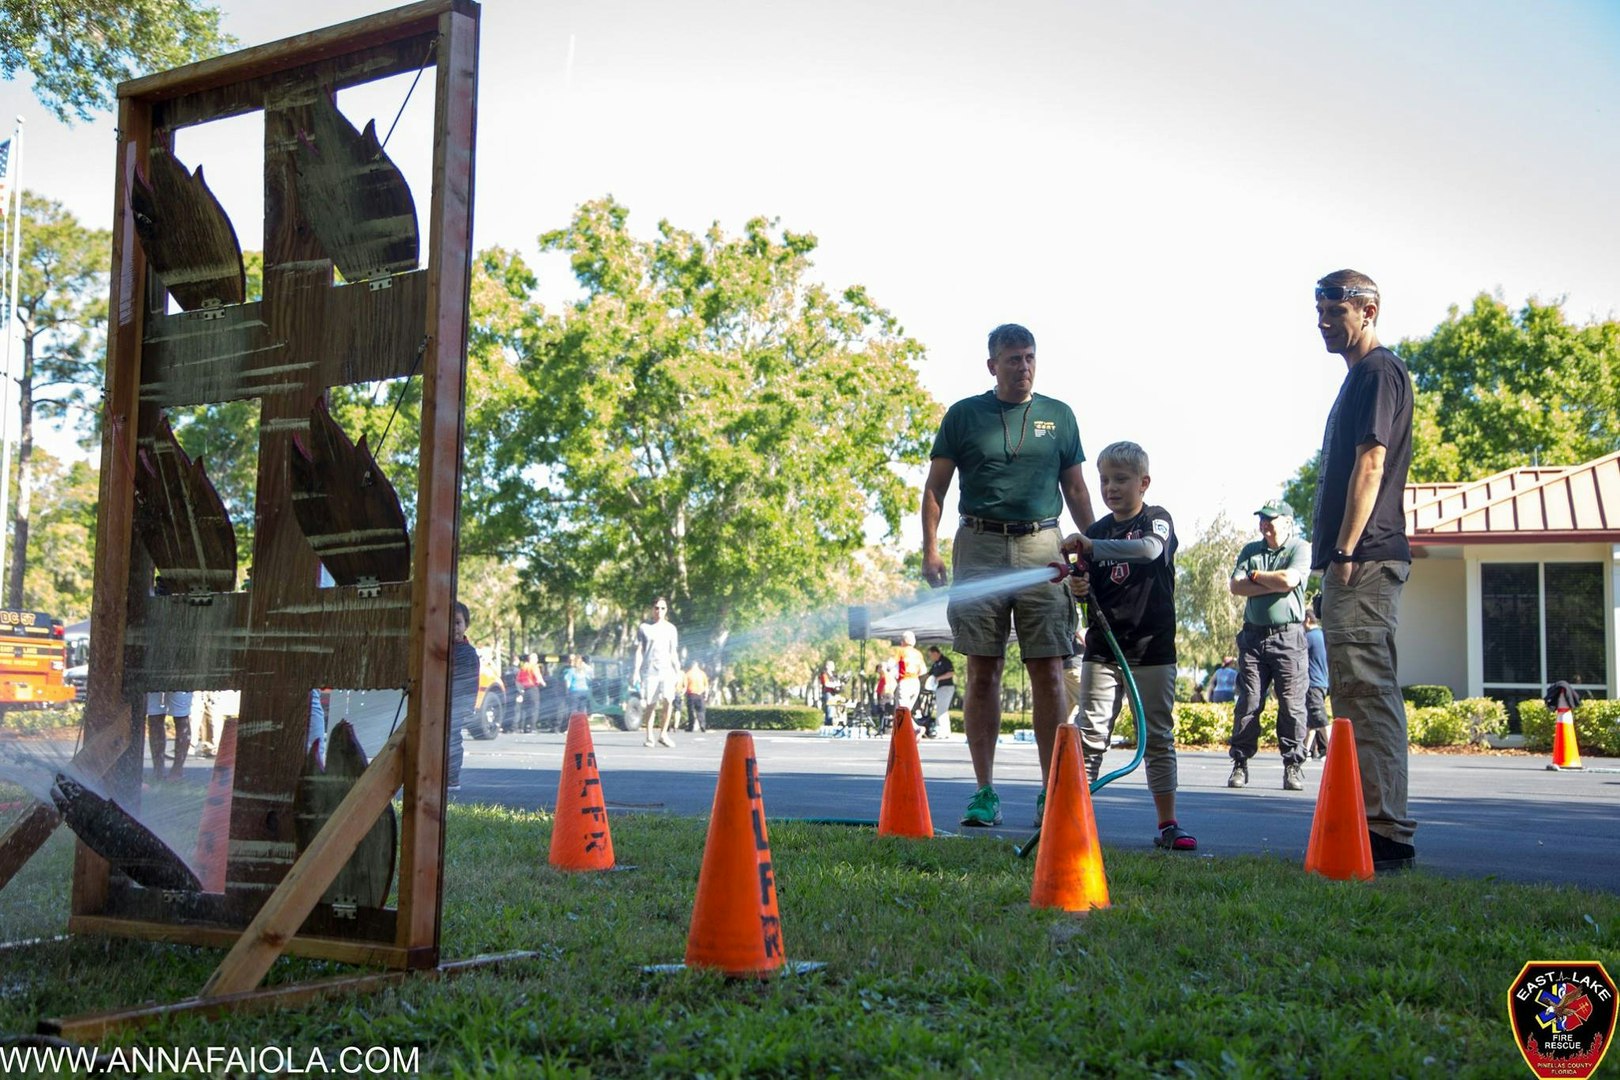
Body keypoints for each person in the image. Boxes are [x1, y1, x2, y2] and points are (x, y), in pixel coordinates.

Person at [921, 322, 1094, 827]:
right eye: (1013, 358)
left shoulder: (1058, 416)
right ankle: (984, 791)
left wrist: (1101, 545)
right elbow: (936, 489)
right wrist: (931, 549)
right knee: (982, 668)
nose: (1023, 367)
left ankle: (1051, 790)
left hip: (1043, 543)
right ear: (992, 364)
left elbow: (1079, 491)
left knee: (1048, 669)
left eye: (1030, 358)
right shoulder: (964, 415)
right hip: (978, 544)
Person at [1309, 269, 1415, 871]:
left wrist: (1346, 550)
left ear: (1368, 310)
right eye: (1318, 313)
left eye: (1334, 312)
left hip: (1366, 559)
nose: (1324, 323)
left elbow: (1371, 463)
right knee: (1351, 690)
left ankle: (1387, 833)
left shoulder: (1378, 371)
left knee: (1368, 692)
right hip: (1353, 560)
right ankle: (1369, 823)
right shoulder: (1358, 378)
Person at [1062, 441, 1195, 849]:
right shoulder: (1096, 531)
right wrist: (1078, 584)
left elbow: (1150, 552)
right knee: (1090, 733)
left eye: (1121, 480)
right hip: (1103, 649)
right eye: (1104, 480)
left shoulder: (1156, 520)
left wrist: (1092, 548)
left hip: (1151, 648)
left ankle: (1168, 825)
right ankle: (1073, 824)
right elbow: (1087, 589)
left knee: (1157, 736)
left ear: (1144, 483)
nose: (1111, 488)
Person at [1225, 500, 1313, 791]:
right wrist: (1270, 583)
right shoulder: (1251, 550)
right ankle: (1240, 762)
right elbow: (1236, 586)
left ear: (1287, 522)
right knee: (1249, 700)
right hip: (1252, 637)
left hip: (1288, 638)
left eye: (1270, 519)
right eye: (1261, 519)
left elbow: (1289, 579)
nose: (1264, 524)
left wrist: (1255, 577)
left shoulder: (1300, 548)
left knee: (1291, 703)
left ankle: (1293, 765)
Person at [634, 597, 681, 748]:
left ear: (666, 610)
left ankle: (663, 734)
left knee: (668, 701)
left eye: (662, 608)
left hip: (667, 671)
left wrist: (678, 670)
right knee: (651, 704)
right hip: (650, 672)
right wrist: (636, 671)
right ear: (652, 609)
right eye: (656, 608)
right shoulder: (644, 627)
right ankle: (649, 736)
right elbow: (639, 650)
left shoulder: (671, 629)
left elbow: (673, 651)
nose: (659, 611)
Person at [447, 600, 479, 793]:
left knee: (452, 739)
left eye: (457, 623)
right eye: (448, 622)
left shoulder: (467, 652)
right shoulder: (443, 648)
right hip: (442, 703)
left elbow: (471, 681)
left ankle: (451, 777)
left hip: (456, 704)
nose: (453, 628)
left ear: (466, 625)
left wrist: (468, 705)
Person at [145, 689, 194, 783]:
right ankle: (158, 770)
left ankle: (176, 771)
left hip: (180, 678)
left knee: (181, 717)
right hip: (154, 678)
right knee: (154, 718)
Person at [1303, 607, 1330, 759]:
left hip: (1312, 682)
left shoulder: (1309, 637)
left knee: (1319, 716)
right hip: (1323, 681)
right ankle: (1305, 750)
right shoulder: (1323, 635)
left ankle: (1333, 749)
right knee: (1311, 719)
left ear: (1307, 620)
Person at [893, 631, 926, 719]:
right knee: (907, 711)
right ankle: (914, 729)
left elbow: (890, 665)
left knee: (901, 711)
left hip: (905, 681)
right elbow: (923, 671)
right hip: (915, 682)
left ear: (903, 641)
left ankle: (914, 729)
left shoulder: (901, 651)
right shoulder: (918, 654)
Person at [926, 645, 955, 738]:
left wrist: (938, 678)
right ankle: (945, 731)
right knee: (941, 709)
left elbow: (951, 673)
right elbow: (929, 674)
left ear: (935, 653)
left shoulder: (945, 661)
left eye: (931, 655)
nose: (930, 657)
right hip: (939, 688)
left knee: (942, 710)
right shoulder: (935, 664)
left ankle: (941, 731)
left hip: (946, 687)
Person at [516, 653, 544, 733]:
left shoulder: (523, 667)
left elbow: (518, 679)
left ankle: (523, 727)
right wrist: (543, 683)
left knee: (525, 709)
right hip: (533, 689)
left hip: (525, 689)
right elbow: (537, 677)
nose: (537, 660)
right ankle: (532, 727)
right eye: (536, 658)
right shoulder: (534, 667)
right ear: (532, 659)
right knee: (534, 708)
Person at [563, 653, 593, 719]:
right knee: (581, 710)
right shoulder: (584, 671)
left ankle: (573, 725)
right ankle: (580, 725)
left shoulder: (570, 671)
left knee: (573, 710)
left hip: (575, 692)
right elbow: (590, 677)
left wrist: (566, 692)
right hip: (584, 691)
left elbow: (567, 683)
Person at [683, 659, 709, 732]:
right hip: (700, 694)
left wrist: (683, 694)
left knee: (691, 711)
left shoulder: (688, 674)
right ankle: (702, 725)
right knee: (701, 711)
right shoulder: (702, 673)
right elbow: (706, 686)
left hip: (691, 695)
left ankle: (691, 726)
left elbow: (685, 686)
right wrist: (706, 695)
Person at [817, 660, 844, 726]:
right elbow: (826, 684)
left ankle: (838, 722)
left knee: (839, 706)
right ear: (827, 666)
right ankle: (828, 724)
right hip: (828, 693)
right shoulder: (824, 674)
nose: (834, 667)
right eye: (832, 665)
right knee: (830, 709)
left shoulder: (833, 675)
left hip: (835, 694)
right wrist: (835, 684)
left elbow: (838, 682)